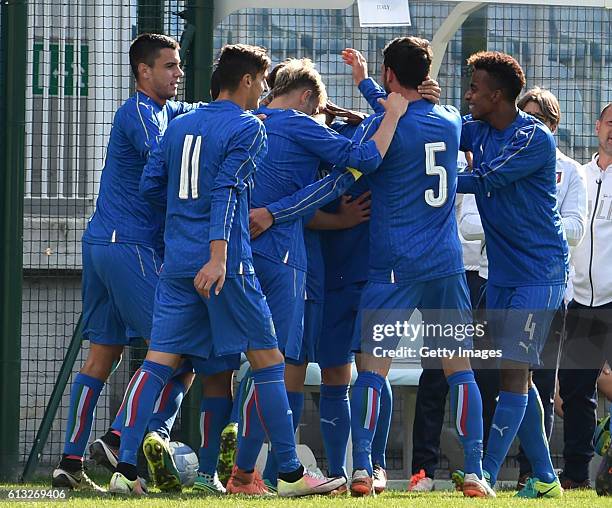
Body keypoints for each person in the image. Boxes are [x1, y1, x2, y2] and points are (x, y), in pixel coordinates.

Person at [109, 43, 349, 497]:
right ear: (246, 81)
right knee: (270, 361)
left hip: (179, 263)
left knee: (159, 361)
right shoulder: (248, 127)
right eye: (261, 82)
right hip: (228, 264)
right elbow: (225, 191)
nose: (263, 91)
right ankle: (291, 475)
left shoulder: (178, 125)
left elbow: (150, 184)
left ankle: (125, 468)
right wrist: (218, 255)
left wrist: (184, 232)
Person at [231, 57, 407, 491]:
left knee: (232, 364)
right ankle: (272, 471)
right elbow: (361, 159)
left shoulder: (247, 121)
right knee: (280, 364)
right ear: (309, 97)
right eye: (317, 111)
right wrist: (389, 113)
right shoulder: (298, 124)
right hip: (288, 262)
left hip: (229, 255)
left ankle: (241, 470)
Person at [339, 38, 490, 498]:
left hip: (393, 267)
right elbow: (405, 110)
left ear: (389, 74)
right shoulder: (448, 122)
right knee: (459, 369)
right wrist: (371, 83)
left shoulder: (381, 125)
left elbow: (373, 139)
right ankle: (476, 472)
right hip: (445, 266)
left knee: (371, 369)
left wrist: (364, 85)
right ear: (427, 76)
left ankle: (363, 468)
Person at [51, 33, 200, 492]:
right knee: (179, 351)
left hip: (103, 244)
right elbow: (167, 161)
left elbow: (196, 112)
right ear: (144, 71)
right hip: (127, 245)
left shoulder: (164, 110)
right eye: (170, 65)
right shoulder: (138, 112)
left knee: (103, 356)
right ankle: (123, 440)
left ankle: (70, 463)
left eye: (179, 65)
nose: (178, 72)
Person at [455, 51, 569, 498]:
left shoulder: (534, 138)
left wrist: (431, 179)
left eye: (474, 89)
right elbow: (434, 132)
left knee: (513, 369)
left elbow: (485, 179)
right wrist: (389, 101)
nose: (468, 95)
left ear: (497, 95)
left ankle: (482, 473)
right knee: (513, 374)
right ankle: (544, 477)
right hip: (501, 273)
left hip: (540, 273)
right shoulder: (477, 128)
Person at [557, 102, 612, 496]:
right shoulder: (579, 174)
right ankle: (576, 474)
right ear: (597, 127)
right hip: (581, 302)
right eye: (611, 123)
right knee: (577, 392)